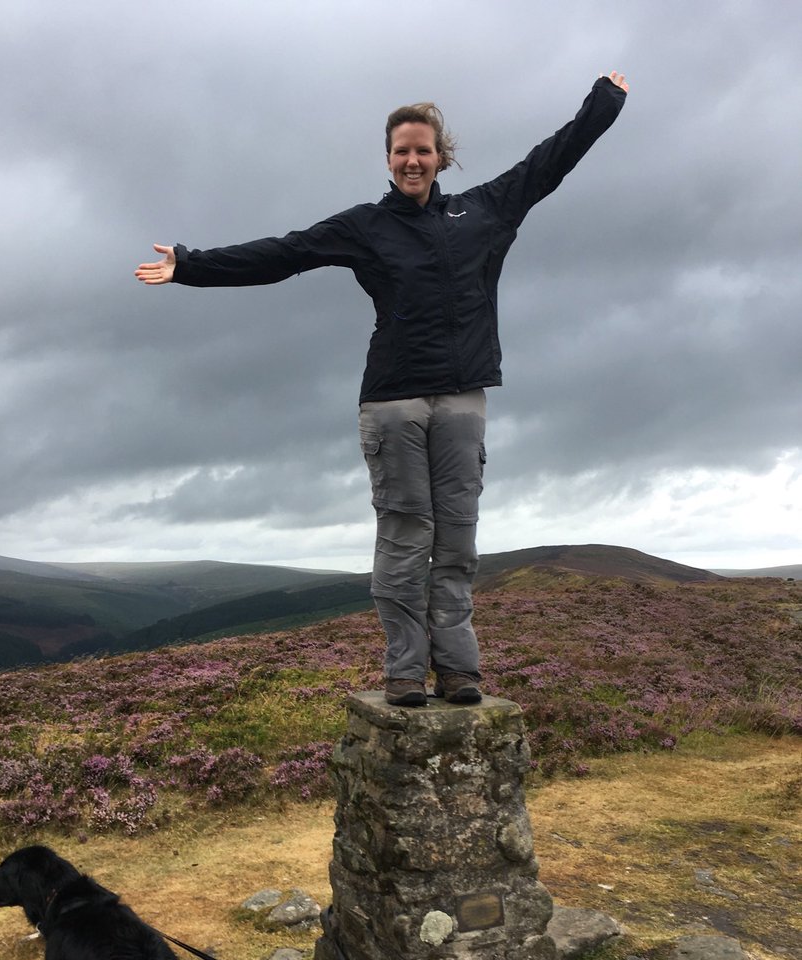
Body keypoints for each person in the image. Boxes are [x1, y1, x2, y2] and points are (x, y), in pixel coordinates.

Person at [136, 71, 628, 707]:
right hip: (393, 401)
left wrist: (603, 103)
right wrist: (190, 265)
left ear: (440, 155)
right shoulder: (366, 226)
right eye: (401, 150)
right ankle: (403, 671)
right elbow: (284, 254)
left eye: (423, 149)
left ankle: (457, 670)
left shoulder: (486, 209)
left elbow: (551, 160)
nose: (412, 159)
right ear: (389, 159)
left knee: (456, 535)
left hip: (462, 398)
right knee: (405, 533)